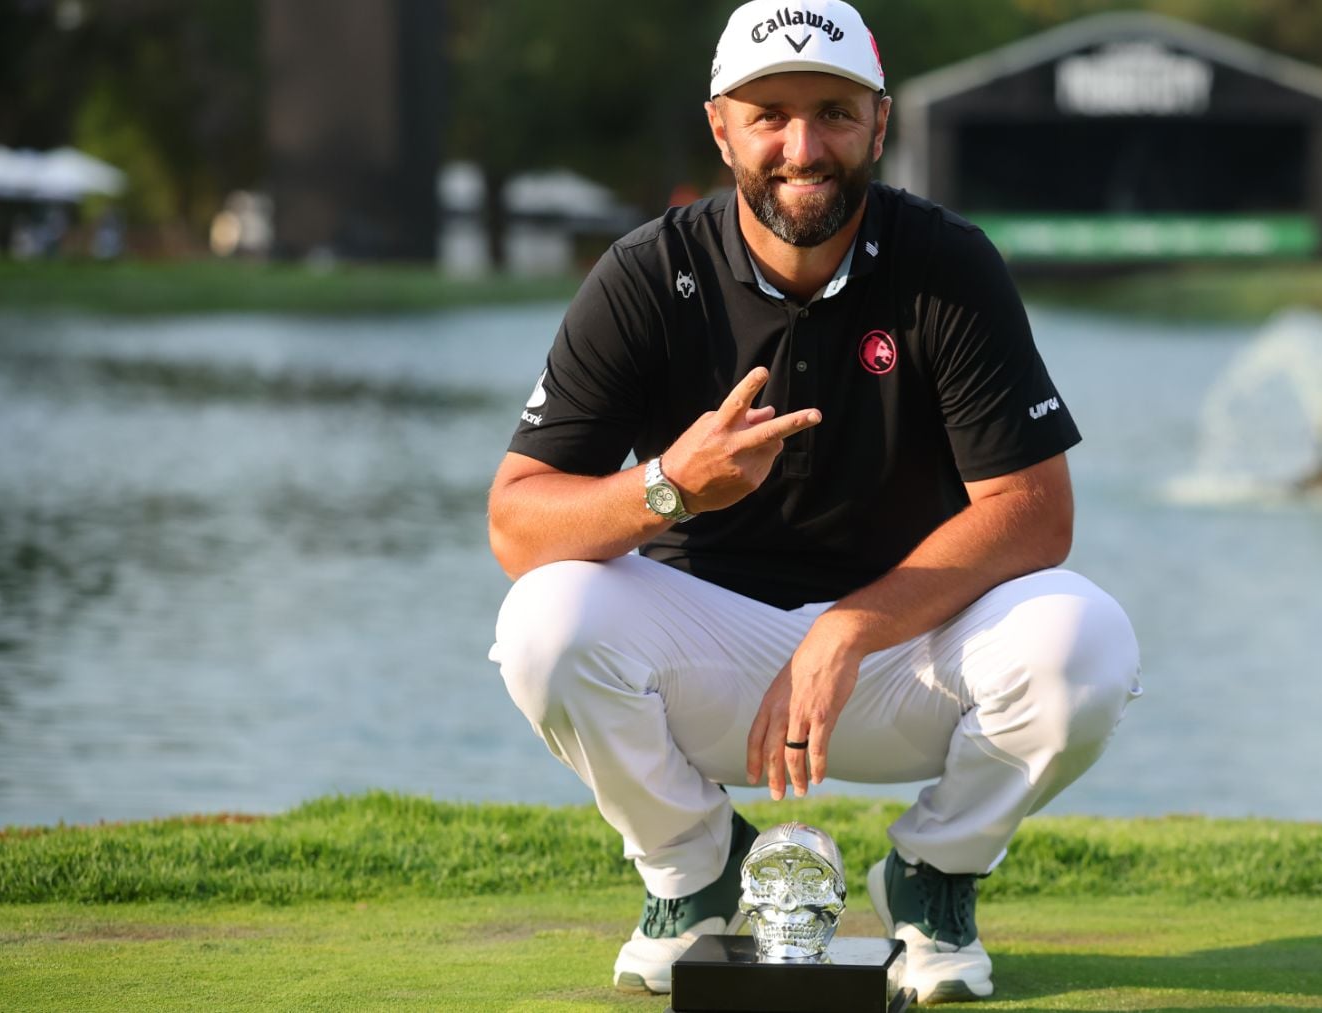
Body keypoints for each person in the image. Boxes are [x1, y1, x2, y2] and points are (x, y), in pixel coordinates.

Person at [487, 0, 1142, 1002]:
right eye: (771, 114)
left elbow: (1035, 511)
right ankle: (693, 868)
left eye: (835, 111)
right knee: (542, 622)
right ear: (722, 129)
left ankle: (931, 878)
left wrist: (850, 625)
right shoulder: (646, 275)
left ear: (880, 123)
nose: (804, 145)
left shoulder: (947, 265)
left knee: (1088, 641)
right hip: (711, 663)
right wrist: (670, 485)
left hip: (899, 657)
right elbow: (516, 519)